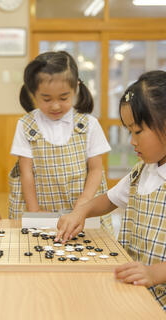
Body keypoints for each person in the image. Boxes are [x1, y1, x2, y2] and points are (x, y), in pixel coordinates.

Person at [56, 70, 166, 310]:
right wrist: (81, 212)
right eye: (129, 131)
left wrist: (154, 273)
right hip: (136, 290)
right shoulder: (142, 171)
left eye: (138, 131)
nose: (132, 141)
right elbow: (109, 199)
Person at [9, 51, 112, 233]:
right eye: (46, 99)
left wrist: (84, 201)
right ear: (33, 93)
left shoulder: (89, 124)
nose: (55, 106)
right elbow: (26, 173)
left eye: (64, 98)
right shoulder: (25, 125)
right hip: (41, 209)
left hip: (81, 210)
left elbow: (96, 169)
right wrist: (35, 211)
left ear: (76, 88)